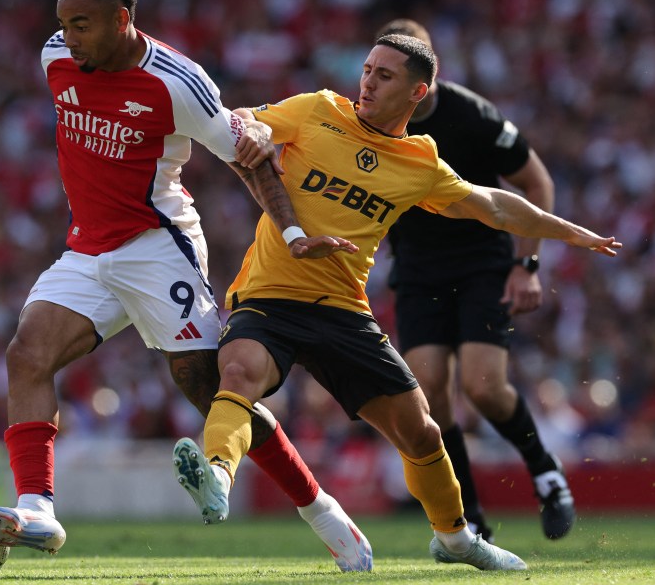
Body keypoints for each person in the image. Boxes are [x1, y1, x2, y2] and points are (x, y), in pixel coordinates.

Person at [0, 0, 373, 572]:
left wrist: (292, 230)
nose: (68, 36)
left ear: (122, 19)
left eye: (83, 24)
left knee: (205, 387)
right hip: (87, 248)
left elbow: (250, 156)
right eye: (63, 23)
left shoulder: (177, 82)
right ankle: (38, 510)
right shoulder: (56, 57)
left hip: (158, 246)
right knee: (27, 354)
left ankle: (323, 513)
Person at [172, 33, 621, 571]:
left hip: (343, 309)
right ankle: (217, 475)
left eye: (385, 75)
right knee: (239, 370)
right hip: (271, 294)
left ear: (417, 91)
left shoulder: (419, 162)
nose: (367, 81)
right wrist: (258, 131)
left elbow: (495, 207)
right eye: (366, 69)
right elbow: (243, 119)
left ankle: (456, 539)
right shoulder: (318, 109)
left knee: (422, 430)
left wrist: (571, 232)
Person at [377, 18, 574, 542]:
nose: (377, 84)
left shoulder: (475, 116)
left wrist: (526, 265)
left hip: (482, 262)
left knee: (484, 388)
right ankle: (470, 523)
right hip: (417, 271)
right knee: (431, 401)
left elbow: (537, 182)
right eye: (377, 72)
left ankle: (546, 470)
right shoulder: (367, 123)